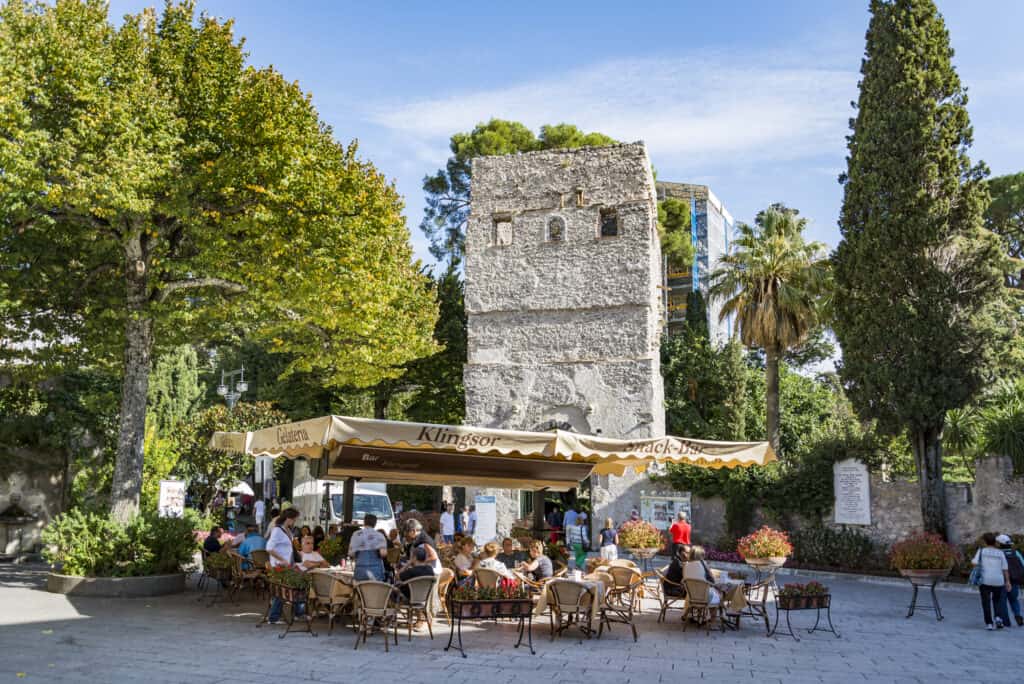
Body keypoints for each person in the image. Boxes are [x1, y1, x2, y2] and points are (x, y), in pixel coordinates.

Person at [266, 508, 302, 625]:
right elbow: (269, 548)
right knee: (284, 590)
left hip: (288, 564)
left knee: (292, 587)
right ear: (289, 518)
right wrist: (282, 560)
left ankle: (297, 613)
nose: (295, 522)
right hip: (280, 566)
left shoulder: (286, 530)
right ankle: (274, 617)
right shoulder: (277, 530)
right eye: (294, 519)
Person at [973, 532, 1012, 630]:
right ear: (995, 541)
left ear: (985, 542)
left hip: (985, 580)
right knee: (997, 600)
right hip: (998, 580)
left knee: (985, 602)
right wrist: (1007, 582)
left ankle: (989, 623)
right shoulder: (1000, 553)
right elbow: (1005, 568)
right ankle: (998, 618)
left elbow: (974, 563)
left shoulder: (981, 551)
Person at [349, 514, 388, 581]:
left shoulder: (356, 534)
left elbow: (351, 553)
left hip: (360, 571)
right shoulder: (379, 535)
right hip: (375, 572)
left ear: (364, 522)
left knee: (359, 589)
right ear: (375, 523)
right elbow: (383, 553)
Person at [996, 534, 1024, 626]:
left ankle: (1006, 621)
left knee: (1002, 601)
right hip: (1014, 580)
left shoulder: (998, 554)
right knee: (1014, 600)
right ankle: (1017, 615)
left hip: (1002, 581)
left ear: (1000, 544)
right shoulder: (1016, 553)